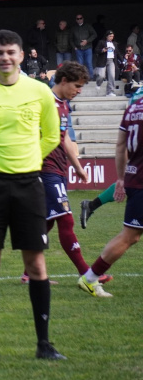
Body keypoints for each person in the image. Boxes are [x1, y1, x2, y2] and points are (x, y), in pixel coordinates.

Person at [0, 30, 64, 361]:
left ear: (21, 55)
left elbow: (51, 136)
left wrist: (27, 161)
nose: (5, 58)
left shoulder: (40, 91)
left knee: (36, 262)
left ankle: (44, 344)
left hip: (29, 184)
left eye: (10, 52)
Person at [14, 62, 112, 293]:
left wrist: (77, 166)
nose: (79, 91)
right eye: (77, 86)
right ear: (64, 80)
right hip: (45, 170)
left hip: (58, 169)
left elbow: (64, 136)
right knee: (66, 220)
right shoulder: (44, 102)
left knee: (48, 222)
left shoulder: (63, 105)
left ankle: (29, 274)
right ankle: (87, 274)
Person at [77, 92, 143, 297]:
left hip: (134, 177)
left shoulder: (133, 108)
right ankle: (89, 278)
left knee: (130, 236)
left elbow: (120, 145)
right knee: (129, 236)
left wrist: (121, 179)